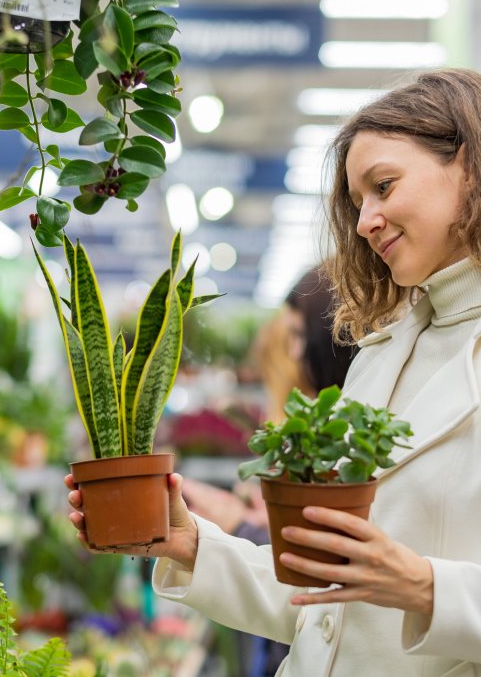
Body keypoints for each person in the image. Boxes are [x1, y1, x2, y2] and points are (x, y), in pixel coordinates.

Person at [64, 69, 481, 676]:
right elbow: (325, 603)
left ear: (473, 168)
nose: (365, 219)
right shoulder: (383, 352)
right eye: (357, 201)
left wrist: (425, 587)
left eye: (384, 186)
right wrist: (191, 545)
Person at [181, 264, 357, 676]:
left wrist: (242, 524)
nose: (294, 353)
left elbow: (324, 571)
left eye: (300, 335)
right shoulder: (320, 432)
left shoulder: (343, 441)